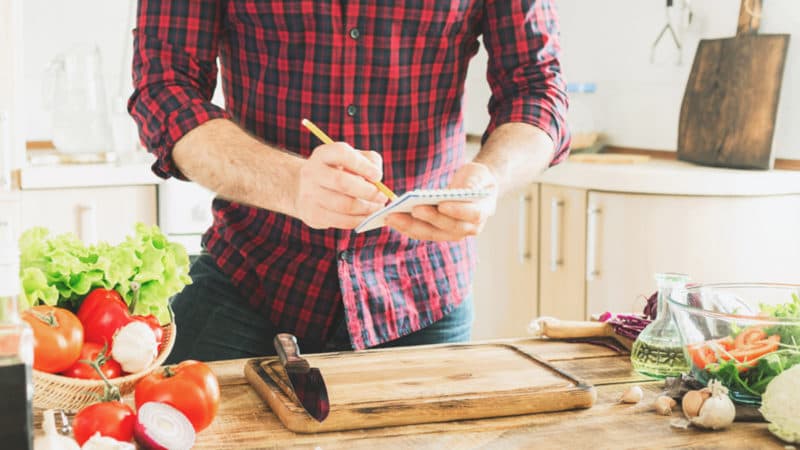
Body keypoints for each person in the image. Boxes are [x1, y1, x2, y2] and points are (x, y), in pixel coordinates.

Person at [129, 0, 570, 362]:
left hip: (422, 295)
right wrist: (291, 182)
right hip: (249, 278)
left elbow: (538, 89)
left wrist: (489, 176)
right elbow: (165, 88)